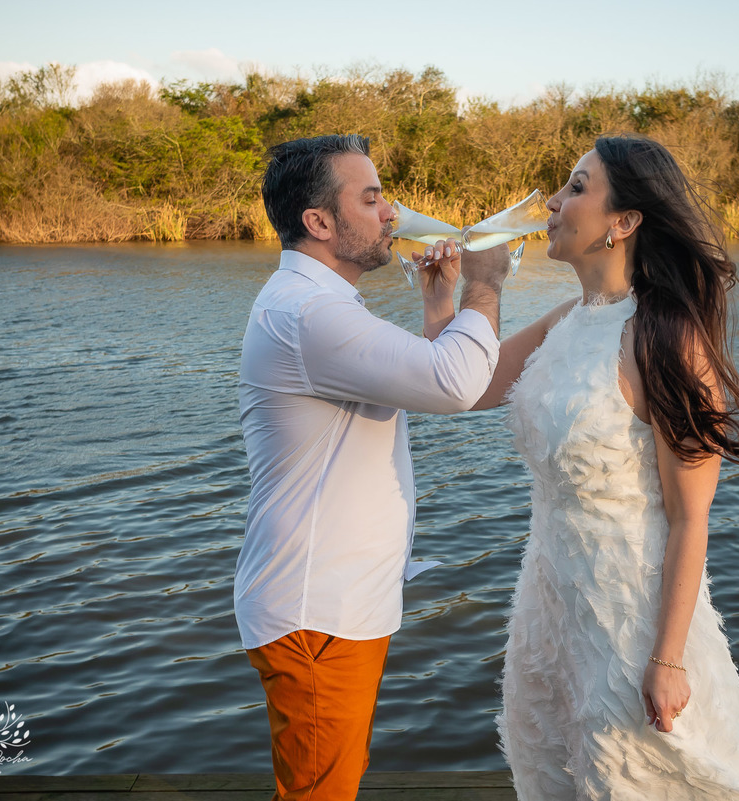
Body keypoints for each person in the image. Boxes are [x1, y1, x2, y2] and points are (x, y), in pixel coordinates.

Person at [474, 134, 739, 800]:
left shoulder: (667, 338)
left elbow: (690, 517)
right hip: (546, 611)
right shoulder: (565, 320)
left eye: (577, 187)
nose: (553, 200)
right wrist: (458, 292)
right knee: (547, 771)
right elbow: (465, 385)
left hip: (628, 616)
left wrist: (668, 657)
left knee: (635, 776)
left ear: (623, 222)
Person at [235, 134, 508, 800]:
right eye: (371, 198)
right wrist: (485, 284)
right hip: (316, 609)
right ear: (320, 223)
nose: (392, 213)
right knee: (321, 794)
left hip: (332, 603)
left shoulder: (319, 306)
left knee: (330, 781)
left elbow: (423, 381)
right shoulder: (311, 313)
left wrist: (440, 307)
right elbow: (457, 383)